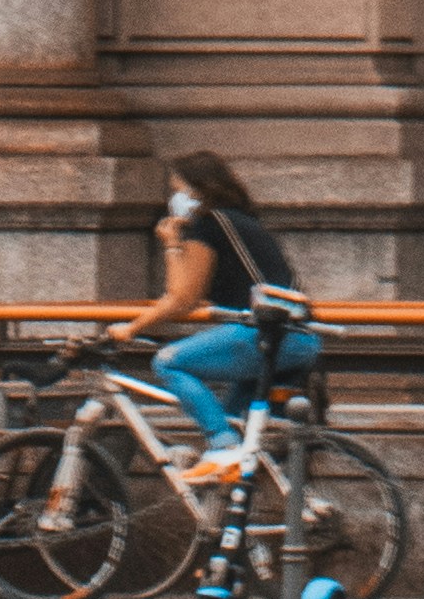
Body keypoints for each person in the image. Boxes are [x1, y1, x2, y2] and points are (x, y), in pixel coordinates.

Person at [129, 150, 317, 485]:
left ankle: (221, 447)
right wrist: (176, 243)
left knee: (169, 362)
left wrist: (129, 330)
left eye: (178, 190)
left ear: (198, 190)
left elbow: (182, 298)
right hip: (295, 336)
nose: (174, 199)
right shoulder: (238, 221)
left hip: (263, 334)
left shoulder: (211, 225)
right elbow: (183, 294)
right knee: (235, 427)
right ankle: (296, 508)